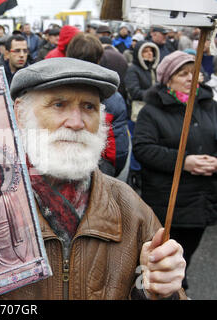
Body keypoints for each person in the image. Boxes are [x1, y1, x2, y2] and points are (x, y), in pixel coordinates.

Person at [0, 57, 187, 300]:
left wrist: (158, 291)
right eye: (59, 104)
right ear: (19, 114)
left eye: (89, 107)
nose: (76, 122)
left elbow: (164, 291)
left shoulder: (128, 207)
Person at [132, 50, 217, 290]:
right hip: (168, 201)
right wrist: (184, 161)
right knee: (162, 264)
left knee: (184, 260)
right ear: (167, 79)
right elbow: (143, 149)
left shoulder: (210, 106)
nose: (192, 78)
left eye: (195, 73)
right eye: (183, 73)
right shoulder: (152, 111)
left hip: (202, 200)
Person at [66, 32, 129, 179]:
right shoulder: (113, 96)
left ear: (68, 55)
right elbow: (118, 150)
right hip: (98, 173)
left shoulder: (55, 91)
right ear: (100, 58)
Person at [124, 40, 160, 192]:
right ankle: (135, 171)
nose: (149, 54)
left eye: (151, 51)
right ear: (139, 54)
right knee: (136, 141)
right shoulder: (133, 70)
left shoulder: (155, 69)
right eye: (145, 51)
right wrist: (156, 94)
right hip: (137, 113)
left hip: (153, 111)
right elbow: (134, 91)